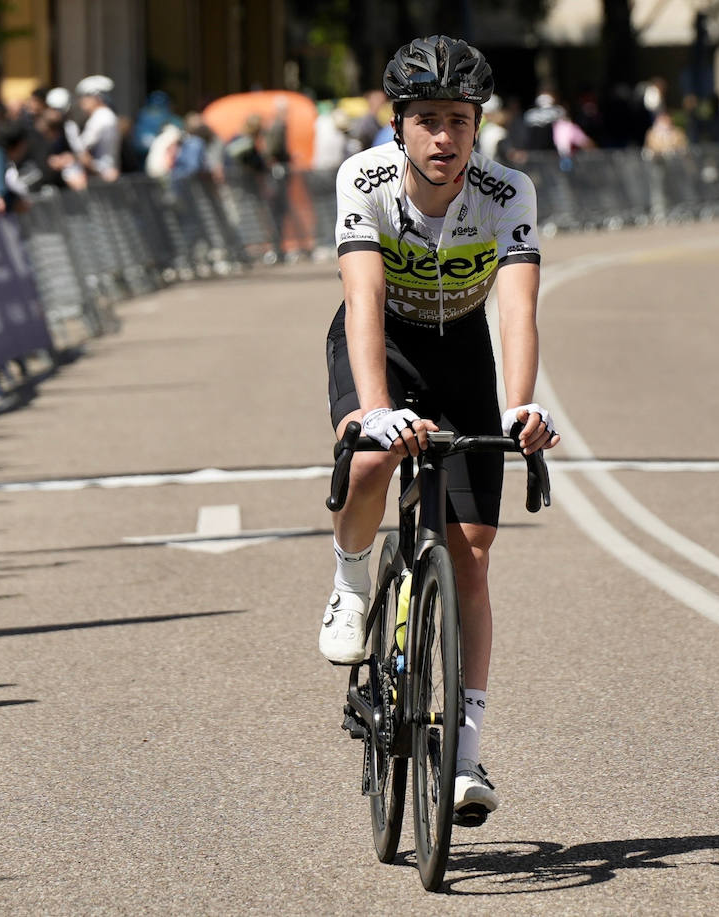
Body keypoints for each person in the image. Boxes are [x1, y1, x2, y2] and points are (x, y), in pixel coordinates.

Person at [320, 35, 559, 825]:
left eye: (458, 119)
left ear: (478, 123)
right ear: (399, 125)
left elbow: (518, 309)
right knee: (369, 456)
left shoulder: (507, 192)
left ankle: (462, 758)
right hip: (380, 336)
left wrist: (521, 404)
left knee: (475, 556)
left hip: (459, 348)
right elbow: (362, 294)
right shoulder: (366, 180)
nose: (443, 137)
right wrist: (378, 407)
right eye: (426, 119)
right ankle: (352, 580)